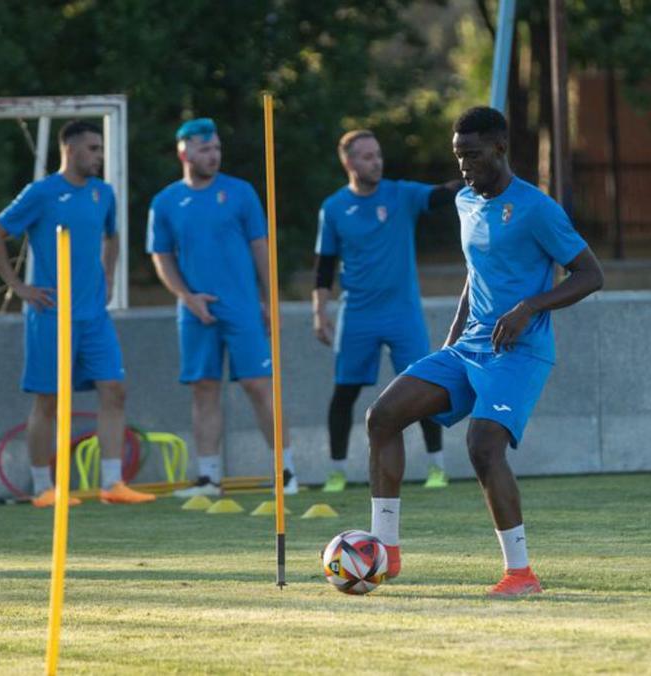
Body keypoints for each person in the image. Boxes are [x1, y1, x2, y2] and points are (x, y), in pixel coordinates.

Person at [362, 106, 604, 596]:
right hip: (469, 346)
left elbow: (591, 274)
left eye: (471, 156)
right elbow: (476, 277)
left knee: (483, 448)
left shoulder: (537, 209)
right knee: (382, 416)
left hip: (520, 351)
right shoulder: (465, 202)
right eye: (457, 157)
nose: (463, 167)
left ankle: (521, 574)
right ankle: (384, 550)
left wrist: (528, 307)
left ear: (499, 148)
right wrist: (450, 345)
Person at [0, 120, 154, 507]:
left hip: (94, 315)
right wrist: (18, 286)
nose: (98, 156)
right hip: (50, 315)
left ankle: (112, 483)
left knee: (115, 390)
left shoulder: (102, 193)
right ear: (71, 150)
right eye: (93, 149)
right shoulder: (41, 193)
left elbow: (112, 237)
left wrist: (108, 276)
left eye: (100, 148)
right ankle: (44, 488)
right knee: (48, 400)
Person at [147, 118, 298, 497]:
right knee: (203, 388)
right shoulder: (165, 201)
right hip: (196, 310)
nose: (212, 155)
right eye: (204, 149)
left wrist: (270, 299)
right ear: (184, 152)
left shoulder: (241, 192)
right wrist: (187, 296)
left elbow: (260, 249)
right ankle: (208, 478)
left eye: (216, 148)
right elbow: (161, 257)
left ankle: (286, 473)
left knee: (258, 386)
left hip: (243, 306)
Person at [313, 129, 462, 493]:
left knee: (424, 387)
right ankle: (336, 472)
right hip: (358, 315)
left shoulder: (401, 194)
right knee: (345, 393)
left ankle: (437, 468)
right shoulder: (333, 208)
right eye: (366, 156)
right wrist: (320, 311)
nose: (375, 162)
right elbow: (324, 266)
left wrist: (475, 174)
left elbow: (444, 193)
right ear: (348, 162)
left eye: (378, 155)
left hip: (402, 313)